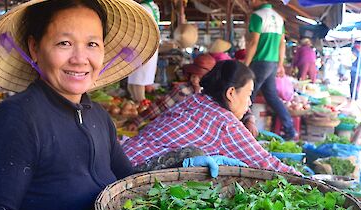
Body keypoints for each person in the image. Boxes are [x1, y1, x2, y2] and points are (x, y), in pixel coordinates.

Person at [0, 1, 243, 210]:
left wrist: (182, 164)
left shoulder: (97, 116)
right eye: (64, 43)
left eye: (92, 44)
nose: (80, 58)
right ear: (35, 48)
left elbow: (130, 182)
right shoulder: (16, 118)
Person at [123, 60, 299, 175]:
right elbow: (267, 165)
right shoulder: (224, 123)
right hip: (131, 176)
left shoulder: (195, 100)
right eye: (248, 95)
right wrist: (310, 181)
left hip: (118, 161)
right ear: (231, 93)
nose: (248, 104)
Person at [244, 0, 295, 140]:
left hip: (260, 62)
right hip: (272, 63)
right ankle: (290, 130)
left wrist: (245, 65)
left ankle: (241, 130)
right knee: (271, 96)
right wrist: (280, 64)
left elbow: (254, 42)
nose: (248, 2)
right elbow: (281, 44)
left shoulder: (257, 16)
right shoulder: (279, 18)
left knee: (247, 95)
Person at [127, 53, 216, 131]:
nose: (195, 80)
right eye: (194, 76)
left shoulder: (213, 96)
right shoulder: (182, 90)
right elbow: (159, 107)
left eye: (199, 77)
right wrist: (137, 122)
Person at [126, 0, 160, 102]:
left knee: (138, 81)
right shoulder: (154, 7)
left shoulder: (143, 7)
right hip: (149, 46)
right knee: (136, 80)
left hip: (142, 48)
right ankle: (139, 104)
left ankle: (141, 106)